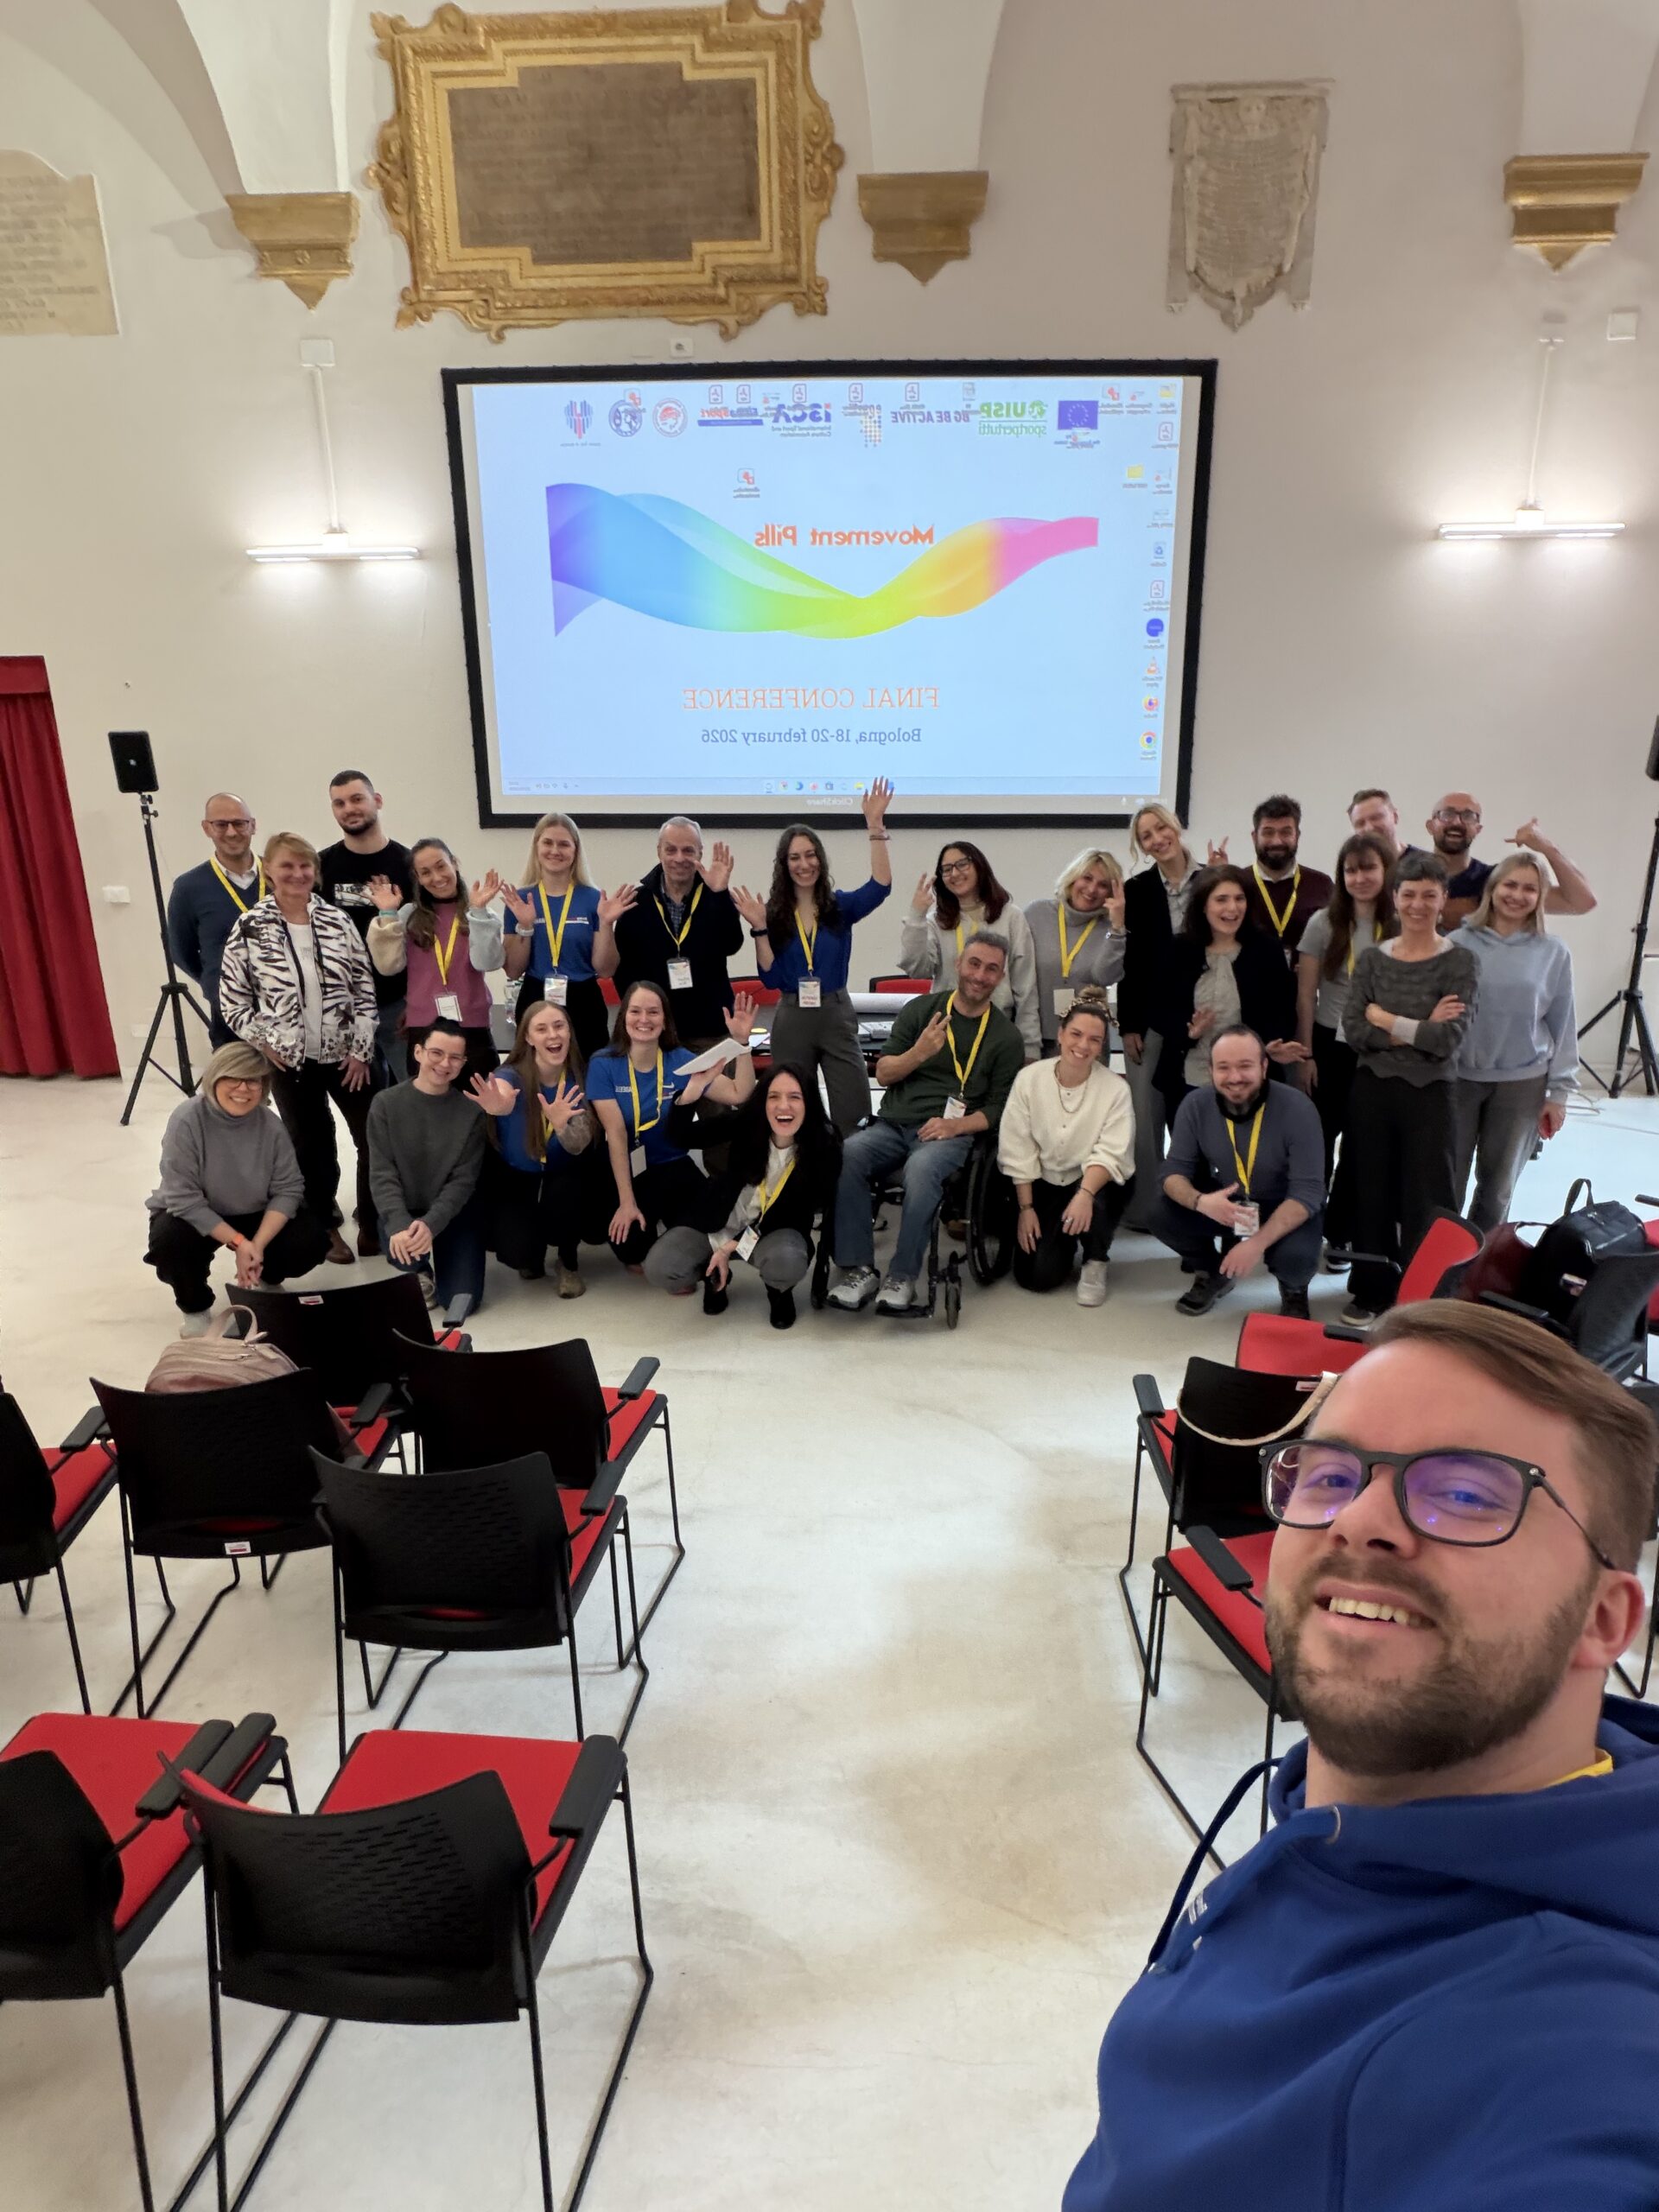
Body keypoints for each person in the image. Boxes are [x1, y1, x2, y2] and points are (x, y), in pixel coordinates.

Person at [1064, 1300, 1659, 2212]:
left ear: (1603, 1619)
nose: (1359, 1520)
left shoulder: (1576, 2049)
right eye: (1330, 1475)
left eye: (1468, 1493)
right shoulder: (1334, 1813)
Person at [828, 931, 1024, 1313]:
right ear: (958, 964)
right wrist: (919, 1053)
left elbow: (1001, 1108)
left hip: (948, 1133)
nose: (980, 975)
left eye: (991, 969)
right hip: (893, 1124)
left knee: (921, 1170)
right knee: (847, 1154)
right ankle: (859, 1269)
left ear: (1001, 977)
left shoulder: (1006, 1037)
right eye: (974, 964)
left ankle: (902, 1276)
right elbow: (884, 1073)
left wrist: (955, 1127)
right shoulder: (921, 1010)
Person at [219, 830, 378, 1266]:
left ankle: (372, 1220)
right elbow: (232, 1001)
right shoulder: (250, 926)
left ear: (315, 871)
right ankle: (325, 1226)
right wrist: (265, 1041)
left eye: (305, 865)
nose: (297, 873)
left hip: (347, 1055)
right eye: (287, 865)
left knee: (373, 1136)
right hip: (288, 1061)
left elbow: (364, 988)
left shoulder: (337, 920)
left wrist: (361, 1050)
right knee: (310, 1145)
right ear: (269, 870)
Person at [1342, 851, 1478, 1324]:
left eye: (1429, 895)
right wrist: (1419, 1026)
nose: (1418, 904)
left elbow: (1446, 1042)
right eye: (1409, 894)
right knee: (1371, 1191)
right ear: (1395, 898)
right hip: (1372, 1089)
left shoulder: (1460, 961)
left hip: (1431, 1092)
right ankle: (1371, 1290)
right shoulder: (1373, 959)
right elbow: (1354, 1030)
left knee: (1429, 1197)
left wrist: (1385, 1018)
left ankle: (1426, 1297)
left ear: (1444, 899)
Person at [731, 778, 894, 1133]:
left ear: (820, 859)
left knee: (853, 1112)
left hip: (836, 1014)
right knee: (792, 1112)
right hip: (792, 1017)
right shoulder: (774, 913)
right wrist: (759, 928)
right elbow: (771, 979)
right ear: (784, 865)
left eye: (810, 855)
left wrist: (875, 827)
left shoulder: (840, 907)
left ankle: (850, 1166)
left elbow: (880, 886)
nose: (804, 864)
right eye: (795, 858)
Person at [143, 1042, 329, 1335]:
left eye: (253, 1080)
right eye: (233, 1078)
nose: (243, 1088)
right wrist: (241, 1243)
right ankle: (195, 1308)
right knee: (170, 1242)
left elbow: (289, 1189)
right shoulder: (186, 1119)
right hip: (197, 1212)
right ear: (215, 1078)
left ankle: (268, 1277)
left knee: (311, 1240)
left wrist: (257, 1245)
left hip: (254, 1209)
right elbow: (183, 1197)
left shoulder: (270, 1125)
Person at [645, 1063, 842, 1328]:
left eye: (795, 1097)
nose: (783, 1106)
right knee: (660, 1267)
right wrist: (695, 1088)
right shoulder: (749, 1124)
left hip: (773, 1230)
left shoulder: (824, 1146)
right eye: (774, 1096)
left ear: (810, 1102)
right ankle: (714, 1276)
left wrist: (730, 1248)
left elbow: (790, 1213)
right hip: (719, 1218)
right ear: (763, 1102)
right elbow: (681, 1137)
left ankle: (778, 1291)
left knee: (787, 1262)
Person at [1154, 1024, 1325, 1318]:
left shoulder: (1298, 1108)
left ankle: (1294, 1289)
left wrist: (1255, 1244)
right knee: (1160, 1213)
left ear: (1264, 1067)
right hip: (1230, 1202)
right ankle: (1212, 1271)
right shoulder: (1195, 1105)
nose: (1234, 1077)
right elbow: (1172, 1173)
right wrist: (1201, 1202)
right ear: (1211, 1070)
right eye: (1224, 1067)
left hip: (1283, 1203)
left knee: (1296, 1258)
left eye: (1245, 1066)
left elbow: (1308, 1193)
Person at [586, 980, 758, 1269]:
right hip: (627, 1166)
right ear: (623, 1016)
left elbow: (739, 1093)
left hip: (672, 1163)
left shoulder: (680, 1061)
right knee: (632, 1248)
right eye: (635, 1011)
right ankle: (644, 1225)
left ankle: (668, 1233)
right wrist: (627, 1203)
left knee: (706, 1225)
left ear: (665, 1020)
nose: (644, 1019)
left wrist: (742, 1044)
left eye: (653, 1012)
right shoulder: (603, 1064)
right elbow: (616, 1134)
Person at [1450, 853, 1578, 1231]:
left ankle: (1481, 1260)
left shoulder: (1553, 952)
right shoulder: (1456, 943)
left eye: (1529, 889)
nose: (1517, 895)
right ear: (1492, 889)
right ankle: (1439, 1259)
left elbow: (1563, 1023)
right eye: (1510, 885)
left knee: (1497, 1189)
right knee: (1446, 1183)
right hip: (1458, 1080)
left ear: (1540, 897)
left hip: (1521, 1085)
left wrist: (1559, 1094)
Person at [997, 990, 1135, 1306]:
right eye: (1076, 1034)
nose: (1083, 1045)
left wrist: (1084, 1195)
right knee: (1035, 1278)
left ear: (1102, 1046)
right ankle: (1064, 1239)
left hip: (1093, 1182)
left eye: (1094, 1040)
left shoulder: (1116, 1089)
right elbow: (1018, 1145)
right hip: (1043, 1181)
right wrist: (1026, 1209)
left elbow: (1112, 1152)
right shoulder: (1029, 1079)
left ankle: (1095, 1259)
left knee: (1103, 1197)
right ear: (1060, 1034)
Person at [1294, 832, 1396, 1247]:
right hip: (1327, 1043)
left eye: (1369, 868)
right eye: (1351, 871)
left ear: (1387, 871)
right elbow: (1305, 995)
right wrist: (1306, 1054)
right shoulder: (1324, 922)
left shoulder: (1400, 923)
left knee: (1361, 1143)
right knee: (1319, 1138)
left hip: (1378, 1045)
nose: (1360, 878)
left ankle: (1341, 1233)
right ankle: (1307, 1224)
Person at [469, 1000, 596, 1298]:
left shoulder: (580, 1076)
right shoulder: (511, 1074)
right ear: (527, 1037)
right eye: (541, 1029)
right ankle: (533, 1252)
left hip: (565, 1175)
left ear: (569, 1032)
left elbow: (578, 1146)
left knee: (569, 1192)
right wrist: (499, 1106)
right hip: (519, 1176)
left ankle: (568, 1261)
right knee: (519, 1253)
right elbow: (503, 1095)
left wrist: (562, 1126)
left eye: (559, 1026)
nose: (552, 1035)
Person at [1155, 866, 1302, 1115]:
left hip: (1249, 1080)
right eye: (1221, 899)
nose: (1232, 908)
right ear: (1203, 905)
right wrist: (1189, 1032)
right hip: (1190, 1077)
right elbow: (1159, 1009)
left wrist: (1270, 1044)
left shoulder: (1266, 950)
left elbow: (1283, 1010)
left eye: (1239, 898)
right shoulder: (1180, 950)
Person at [1117, 804, 1203, 1225]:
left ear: (1176, 827)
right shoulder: (1135, 890)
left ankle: (1198, 1206)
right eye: (1146, 836)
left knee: (1198, 1113)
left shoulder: (1214, 880)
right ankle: (1146, 1210)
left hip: (1205, 1016)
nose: (1157, 839)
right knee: (1145, 1117)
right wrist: (1129, 1024)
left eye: (1160, 828)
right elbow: (1129, 962)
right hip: (1150, 1018)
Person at [366, 1020, 489, 1315]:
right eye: (437, 1053)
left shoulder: (471, 1112)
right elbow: (382, 1174)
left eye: (455, 1057)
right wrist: (399, 1224)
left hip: (453, 1212)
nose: (445, 1064)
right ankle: (418, 1269)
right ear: (418, 1052)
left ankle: (444, 1257)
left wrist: (432, 1224)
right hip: (405, 1209)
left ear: (463, 1063)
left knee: (461, 1301)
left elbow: (463, 1181)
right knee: (400, 1240)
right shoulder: (385, 1104)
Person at [367, 838, 505, 1087]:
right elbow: (388, 966)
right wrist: (387, 914)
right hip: (423, 1028)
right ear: (417, 878)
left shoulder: (478, 913)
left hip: (472, 1027)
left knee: (480, 1104)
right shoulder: (409, 915)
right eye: (426, 872)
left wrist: (479, 913)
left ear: (454, 863)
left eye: (441, 866)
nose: (437, 877)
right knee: (426, 1105)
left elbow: (487, 962)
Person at [500, 810, 633, 1061]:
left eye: (563, 844)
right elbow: (514, 971)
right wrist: (525, 925)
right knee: (537, 1075)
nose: (555, 851)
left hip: (583, 1000)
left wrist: (606, 924)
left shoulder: (594, 899)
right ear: (536, 847)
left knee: (588, 1075)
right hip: (536, 997)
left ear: (575, 850)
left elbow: (605, 970)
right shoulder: (520, 900)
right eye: (548, 843)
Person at [899, 838, 1043, 1058]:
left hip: (997, 1030)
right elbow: (917, 969)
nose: (954, 874)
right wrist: (917, 916)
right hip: (946, 1031)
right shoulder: (936, 922)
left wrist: (1030, 1048)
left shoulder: (1011, 917)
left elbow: (1026, 987)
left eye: (962, 864)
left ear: (979, 865)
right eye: (947, 869)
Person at [611, 817, 745, 1049]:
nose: (680, 858)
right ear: (659, 852)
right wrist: (641, 1015)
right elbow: (623, 970)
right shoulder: (636, 902)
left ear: (700, 853)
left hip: (710, 1032)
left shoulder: (715, 895)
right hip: (653, 1032)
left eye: (688, 850)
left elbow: (731, 944)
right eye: (671, 850)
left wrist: (720, 894)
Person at [317, 770, 414, 1080]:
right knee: (363, 1103)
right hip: (345, 1012)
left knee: (411, 1094)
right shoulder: (320, 868)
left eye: (357, 799)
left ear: (378, 801)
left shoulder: (410, 865)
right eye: (340, 803)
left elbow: (428, 939)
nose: (349, 809)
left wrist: (418, 1000)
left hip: (400, 1009)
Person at [166, 791, 264, 1046]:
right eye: (221, 825)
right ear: (206, 828)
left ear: (253, 826)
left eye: (239, 823)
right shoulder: (188, 888)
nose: (231, 832)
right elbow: (181, 952)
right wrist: (216, 981)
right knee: (237, 1073)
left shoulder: (281, 876)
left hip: (287, 1010)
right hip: (229, 1016)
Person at [1427, 791, 1598, 928]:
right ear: (1431, 826)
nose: (1457, 822)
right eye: (1447, 814)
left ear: (1478, 829)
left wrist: (1548, 848)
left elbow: (1582, 903)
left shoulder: (1496, 881)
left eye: (1468, 816)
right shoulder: (1412, 868)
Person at [1024, 849, 1128, 1056]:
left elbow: (1104, 976)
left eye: (1103, 885)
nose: (1092, 889)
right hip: (1037, 1039)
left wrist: (1117, 928)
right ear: (1073, 877)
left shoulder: (1110, 928)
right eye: (1087, 878)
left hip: (1086, 1042)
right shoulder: (1036, 914)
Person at [1236, 795, 1333, 957]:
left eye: (1286, 832)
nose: (1277, 841)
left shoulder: (1322, 885)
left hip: (1308, 974)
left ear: (1297, 835)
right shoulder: (1238, 884)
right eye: (1268, 833)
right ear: (1254, 837)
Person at [1347, 787, 1406, 856]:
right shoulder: (1350, 863)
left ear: (1395, 817)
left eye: (1375, 818)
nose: (1369, 828)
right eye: (1361, 823)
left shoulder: (1417, 861)